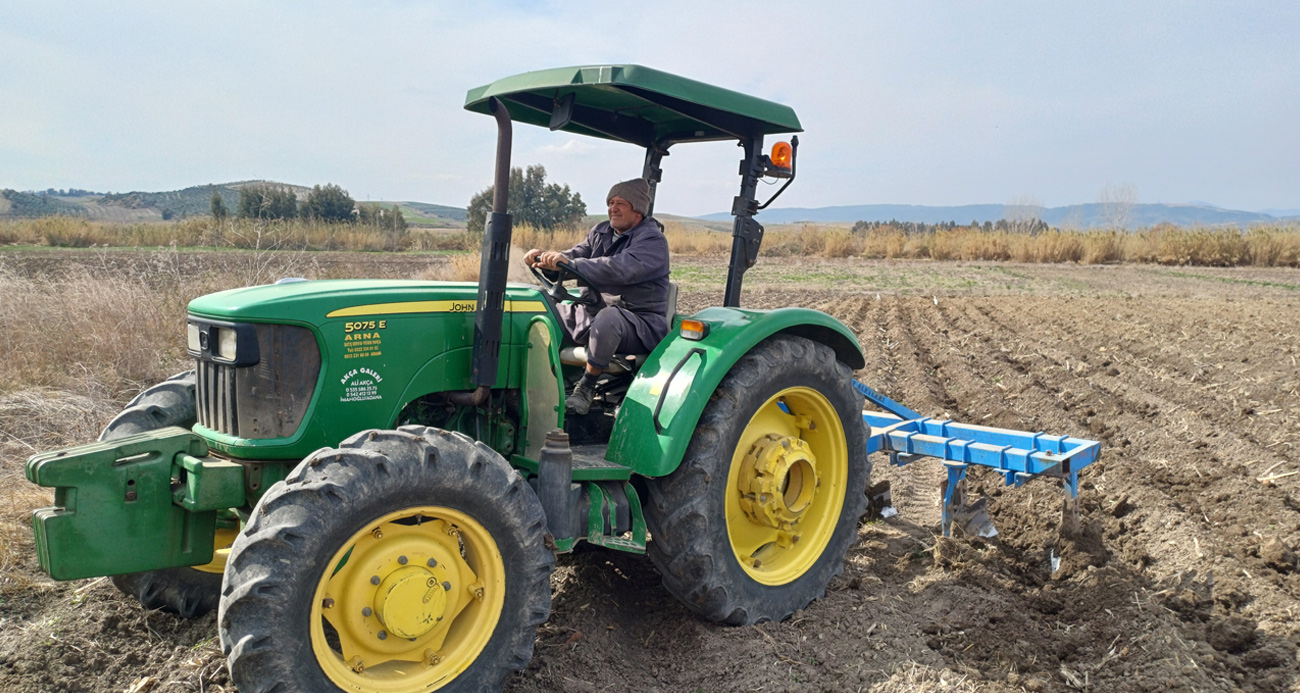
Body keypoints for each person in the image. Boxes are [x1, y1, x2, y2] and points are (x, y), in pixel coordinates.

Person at [524, 178, 671, 415]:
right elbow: (575, 255)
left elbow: (620, 267)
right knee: (540, 309)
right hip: (593, 312)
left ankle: (587, 387)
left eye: (620, 203)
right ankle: (542, 381)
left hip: (638, 323)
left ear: (637, 209)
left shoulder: (652, 241)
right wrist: (546, 259)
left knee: (608, 318)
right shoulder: (601, 231)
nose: (613, 208)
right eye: (610, 202)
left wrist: (571, 263)